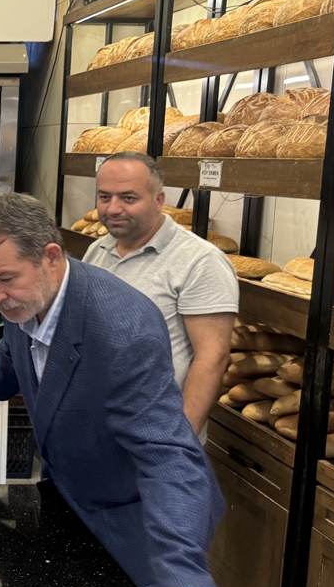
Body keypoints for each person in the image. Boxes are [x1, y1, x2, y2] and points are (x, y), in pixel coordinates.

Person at [0, 193, 276, 587]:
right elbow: (14, 351)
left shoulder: (122, 330)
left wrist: (184, 574)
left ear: (50, 256)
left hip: (135, 527)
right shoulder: (33, 295)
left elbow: (168, 455)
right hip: (70, 506)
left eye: (3, 279)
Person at [84, 153, 237, 437]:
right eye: (104, 197)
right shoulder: (98, 250)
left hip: (154, 436)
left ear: (158, 200)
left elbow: (212, 358)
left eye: (128, 198)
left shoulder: (200, 261)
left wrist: (179, 440)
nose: (113, 208)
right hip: (97, 428)